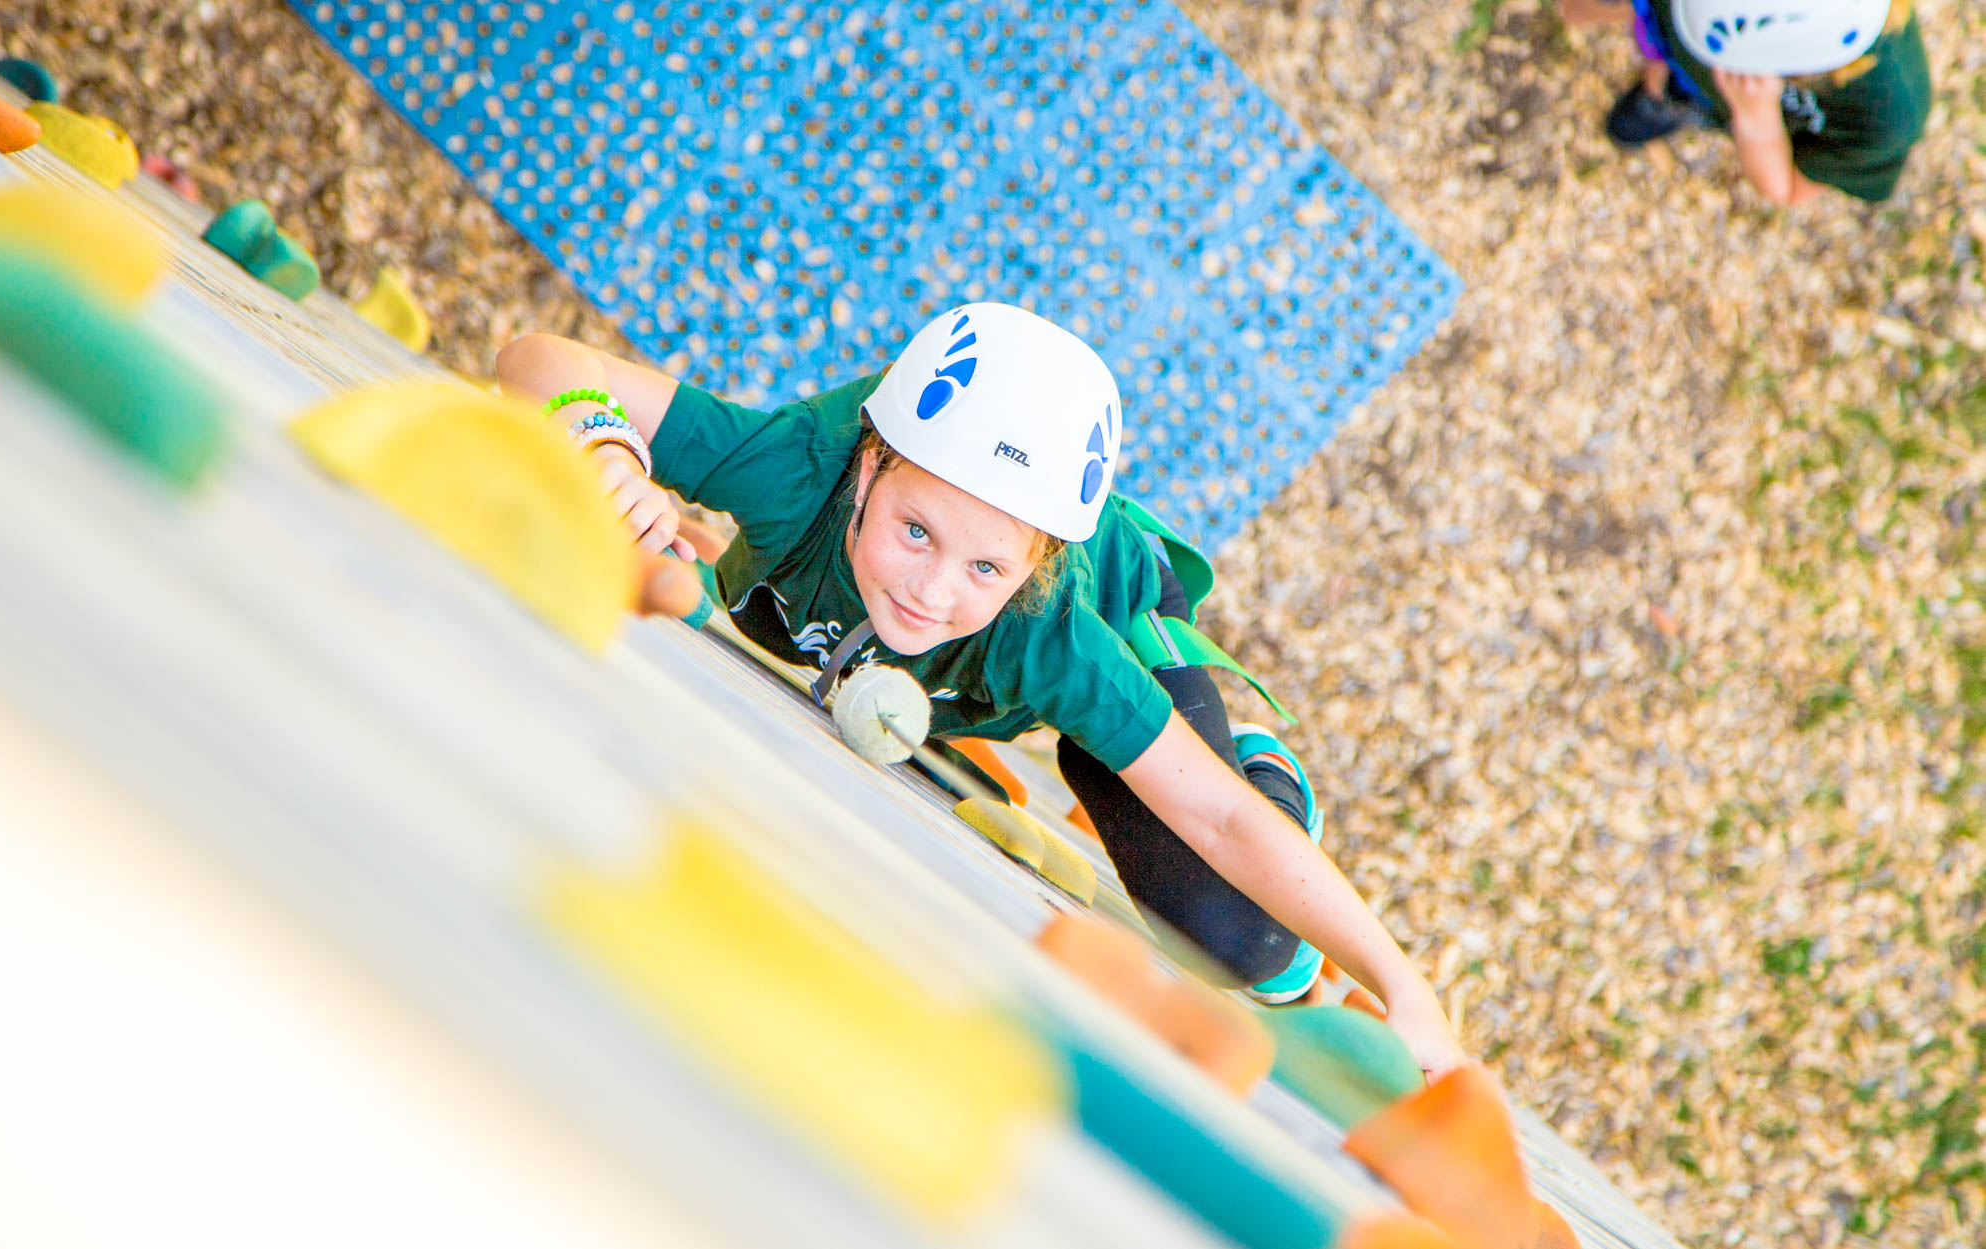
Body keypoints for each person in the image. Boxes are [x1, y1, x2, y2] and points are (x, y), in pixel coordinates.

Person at [496, 303, 1467, 1076]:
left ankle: (1259, 764)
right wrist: (609, 451)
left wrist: (1400, 981)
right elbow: (539, 361)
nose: (933, 588)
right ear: (869, 467)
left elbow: (1217, 822)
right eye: (915, 530)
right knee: (770, 610)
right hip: (915, 586)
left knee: (1240, 939)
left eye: (984, 569)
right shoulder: (800, 470)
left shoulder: (1048, 632)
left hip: (1129, 617)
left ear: (1034, 563)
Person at [1562, 0, 1930, 204]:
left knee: (1682, 82)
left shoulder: (1885, 118)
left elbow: (1786, 188)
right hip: (1680, 27)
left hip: (1731, 97)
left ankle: (1674, 94)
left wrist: (1756, 120)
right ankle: (1664, 74)